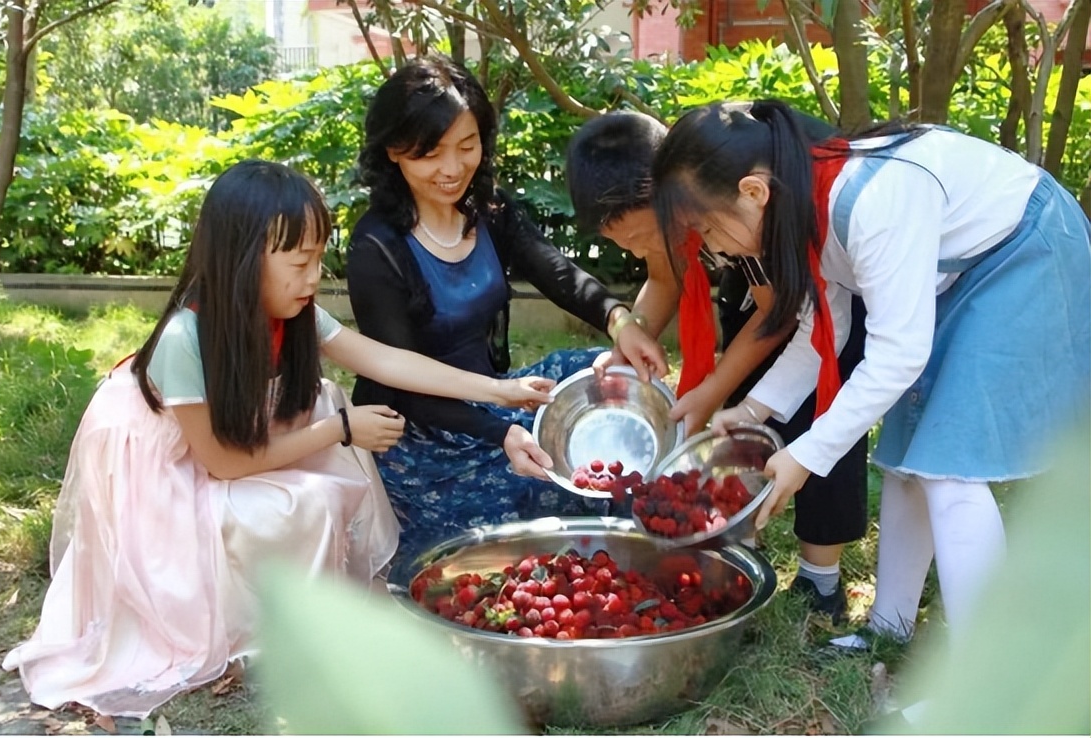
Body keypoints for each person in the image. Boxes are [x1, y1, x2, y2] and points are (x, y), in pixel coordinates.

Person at [2, 159, 553, 718]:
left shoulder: (293, 314)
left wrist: (500, 390)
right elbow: (221, 463)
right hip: (168, 464)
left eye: (317, 259)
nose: (313, 278)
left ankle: (303, 607)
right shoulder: (184, 339)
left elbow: (384, 360)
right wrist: (338, 431)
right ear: (243, 259)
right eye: (299, 262)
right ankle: (262, 624)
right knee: (311, 481)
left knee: (326, 405)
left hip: (233, 435)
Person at [649, 100, 1090, 649]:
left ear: (753, 192)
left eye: (708, 229)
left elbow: (897, 356)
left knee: (950, 472)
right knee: (909, 465)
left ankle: (985, 677)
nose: (713, 248)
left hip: (1027, 252)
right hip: (964, 276)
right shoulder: (804, 204)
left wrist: (808, 454)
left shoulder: (873, 202)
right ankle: (890, 629)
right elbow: (822, 331)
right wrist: (752, 410)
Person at [347, 56, 667, 558]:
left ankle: (641, 535)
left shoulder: (486, 209)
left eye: (467, 147)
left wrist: (618, 318)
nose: (452, 169)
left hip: (496, 399)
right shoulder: (376, 247)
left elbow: (555, 271)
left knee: (608, 376)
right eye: (430, 153)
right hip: (426, 436)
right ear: (394, 151)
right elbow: (401, 386)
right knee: (518, 517)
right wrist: (502, 432)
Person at [565, 109, 868, 621]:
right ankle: (738, 534)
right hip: (759, 296)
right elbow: (665, 278)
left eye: (639, 238)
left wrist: (710, 391)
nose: (636, 250)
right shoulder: (681, 216)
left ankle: (822, 577)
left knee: (820, 421)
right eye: (624, 246)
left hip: (821, 291)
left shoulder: (733, 207)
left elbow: (780, 310)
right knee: (749, 417)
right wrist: (630, 337)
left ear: (667, 201)